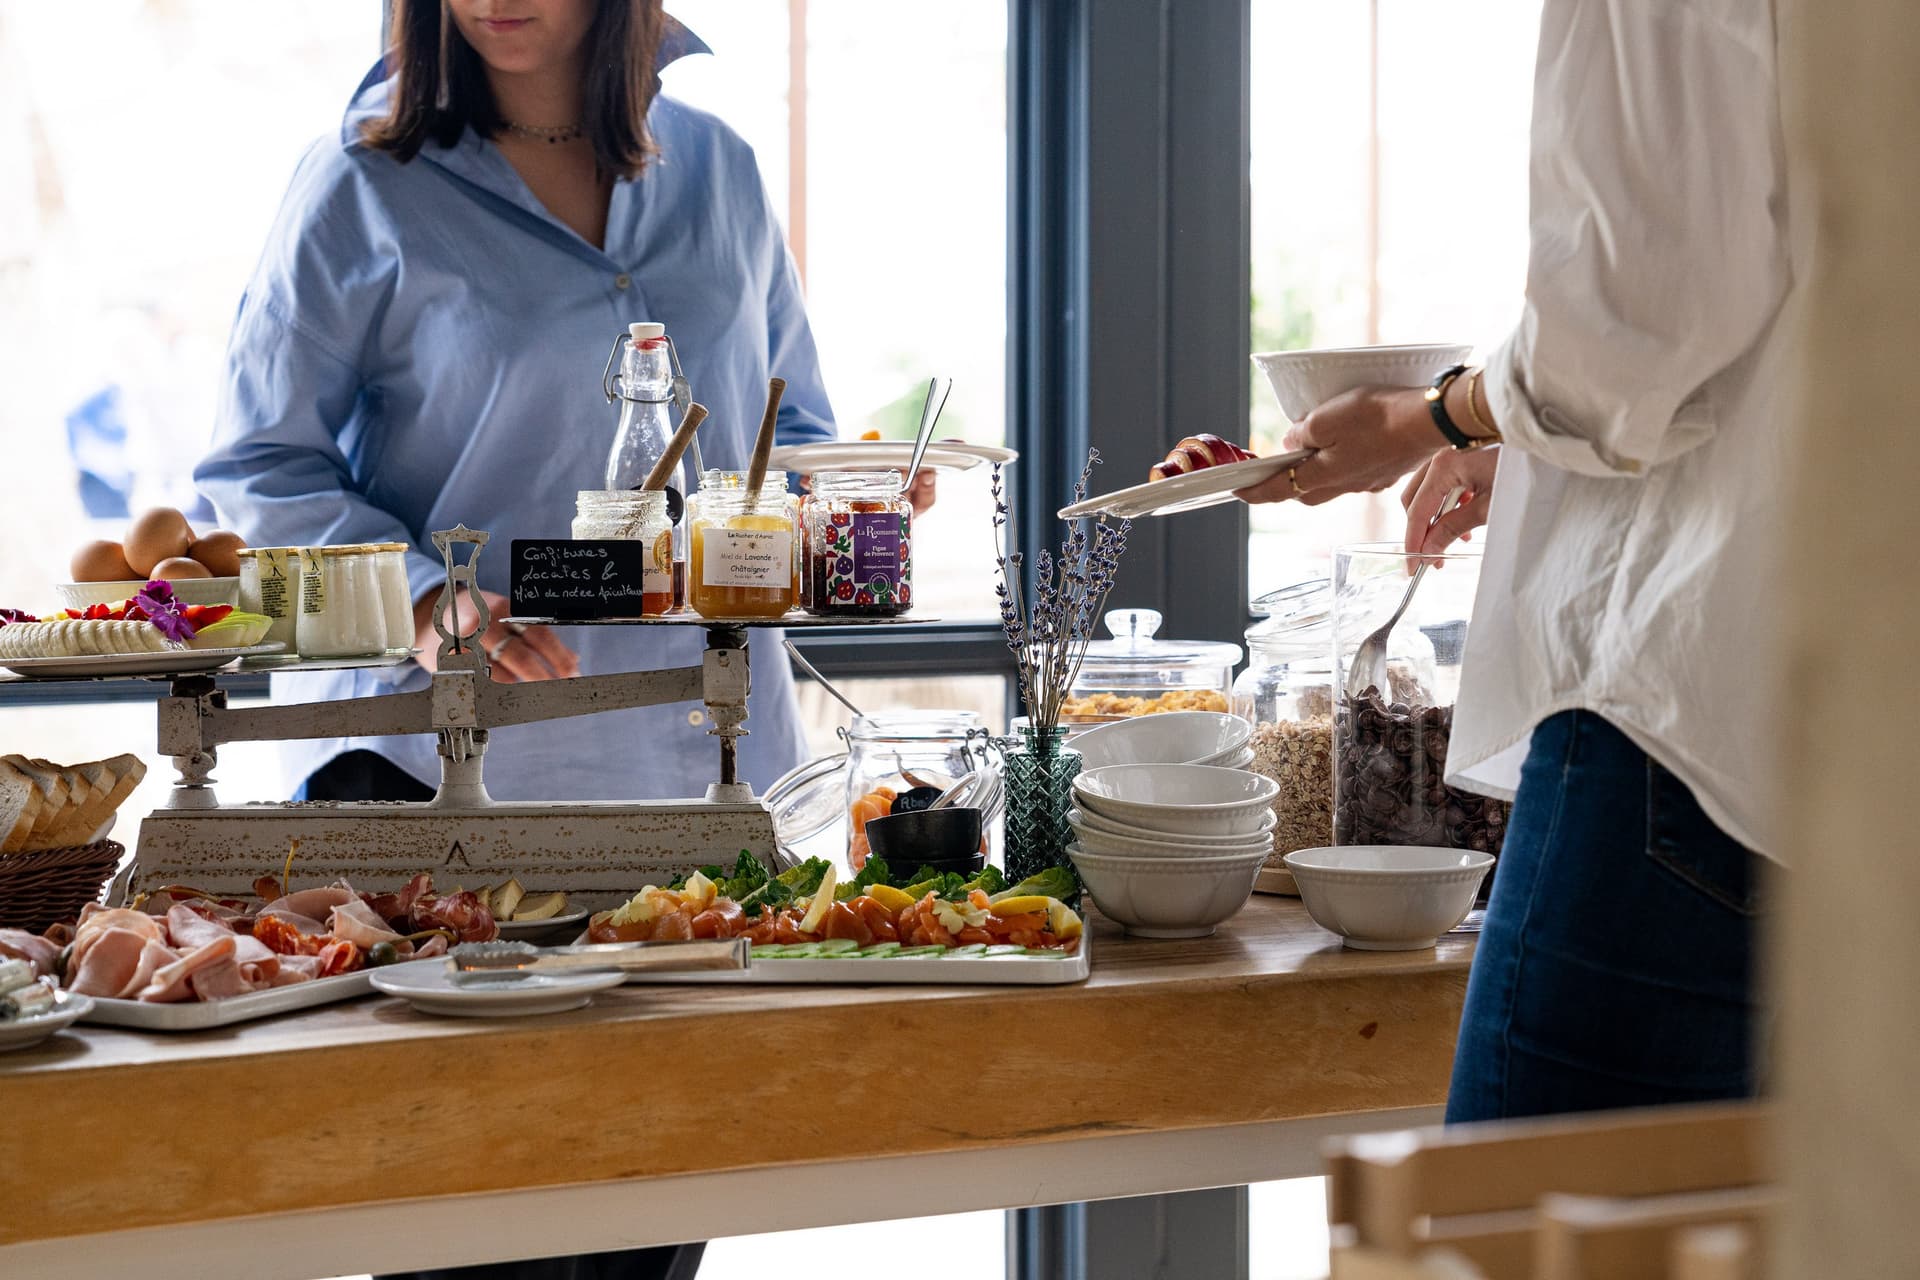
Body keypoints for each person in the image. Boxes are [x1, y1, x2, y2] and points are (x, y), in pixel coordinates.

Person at [196, 2, 915, 1275]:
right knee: (465, 1234)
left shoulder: (722, 172)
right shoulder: (361, 180)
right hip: (441, 812)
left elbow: (785, 426)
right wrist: (430, 598)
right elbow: (259, 464)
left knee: (652, 1232)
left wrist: (855, 488)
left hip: (697, 806)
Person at [1241, 0, 1789, 1121]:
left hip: (1688, 736)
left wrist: (1428, 417)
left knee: (1522, 1225)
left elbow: (1622, 333)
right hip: (1849, 725)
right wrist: (1533, 452)